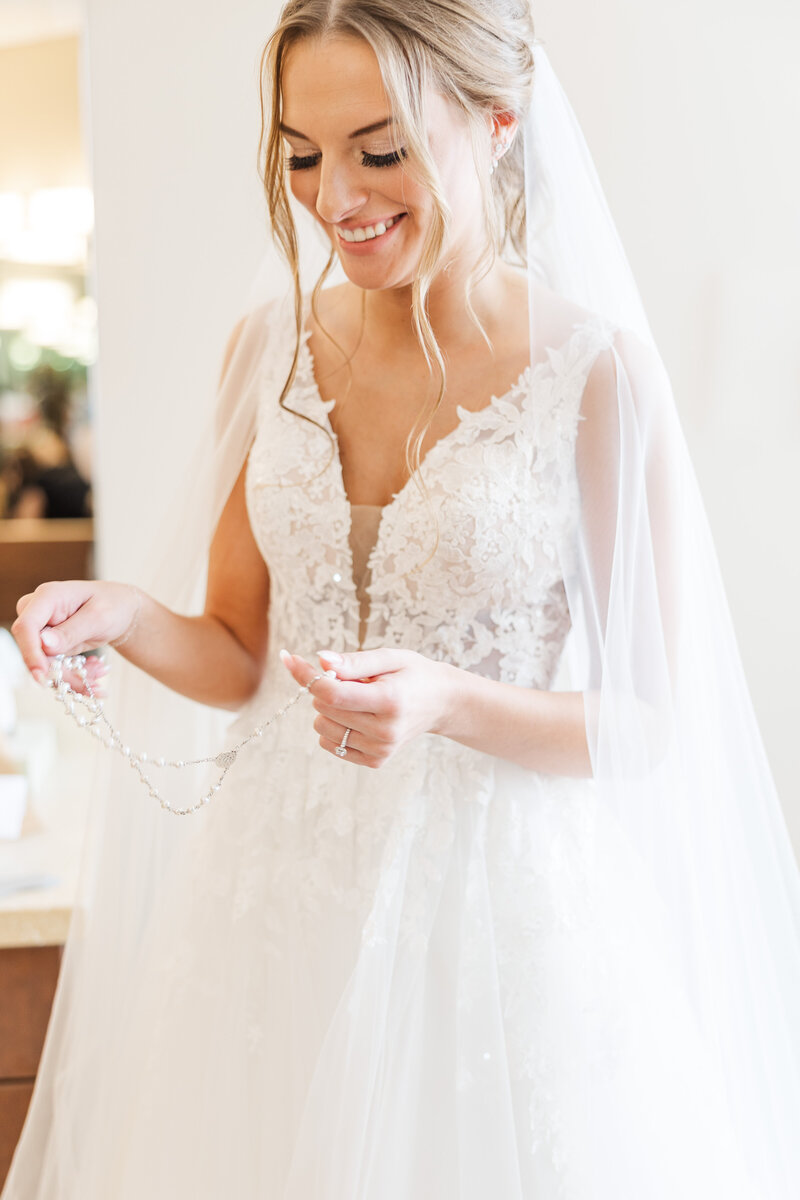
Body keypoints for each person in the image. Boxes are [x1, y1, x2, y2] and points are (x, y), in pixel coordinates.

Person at [5, 2, 800, 1197]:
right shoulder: (263, 349)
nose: (336, 198)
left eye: (380, 150)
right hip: (269, 915)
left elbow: (643, 724)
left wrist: (446, 702)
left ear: (496, 125)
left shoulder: (594, 374)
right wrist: (124, 615)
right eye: (302, 155)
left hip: (490, 928)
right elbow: (234, 652)